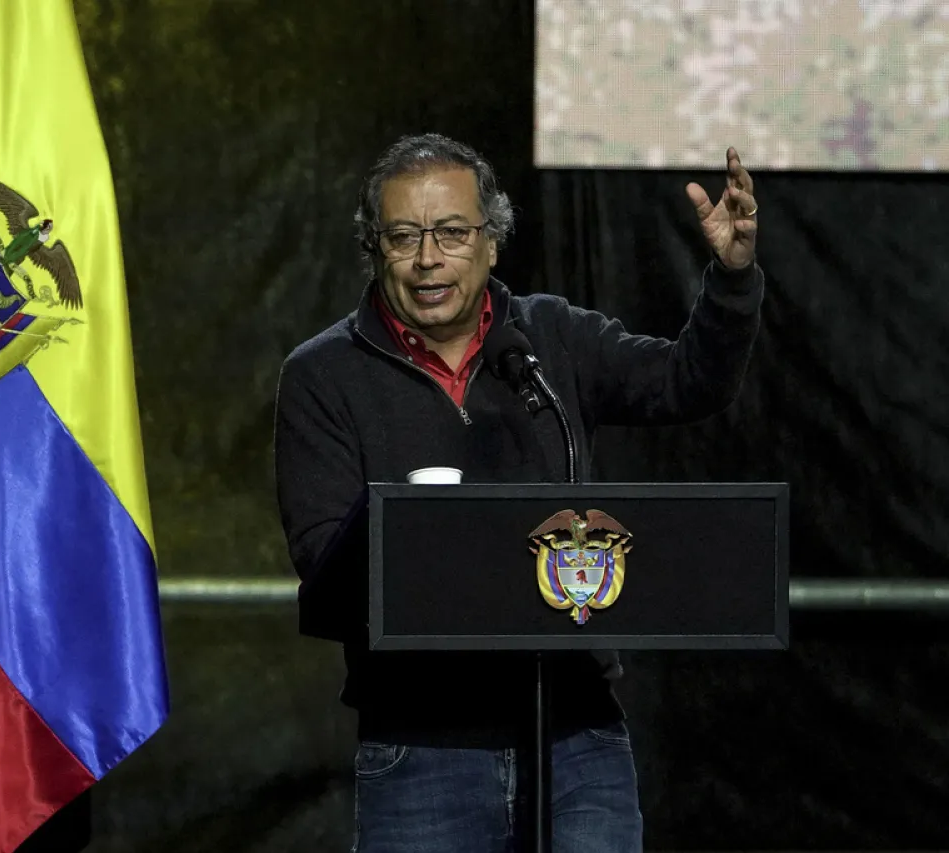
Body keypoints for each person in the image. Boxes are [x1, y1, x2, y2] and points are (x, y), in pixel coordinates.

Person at [272, 133, 763, 853]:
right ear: (375, 249)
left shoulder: (549, 340)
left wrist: (730, 279)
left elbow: (688, 382)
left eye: (452, 232)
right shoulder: (322, 376)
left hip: (577, 738)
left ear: (492, 243)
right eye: (403, 236)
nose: (428, 257)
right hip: (422, 750)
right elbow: (326, 561)